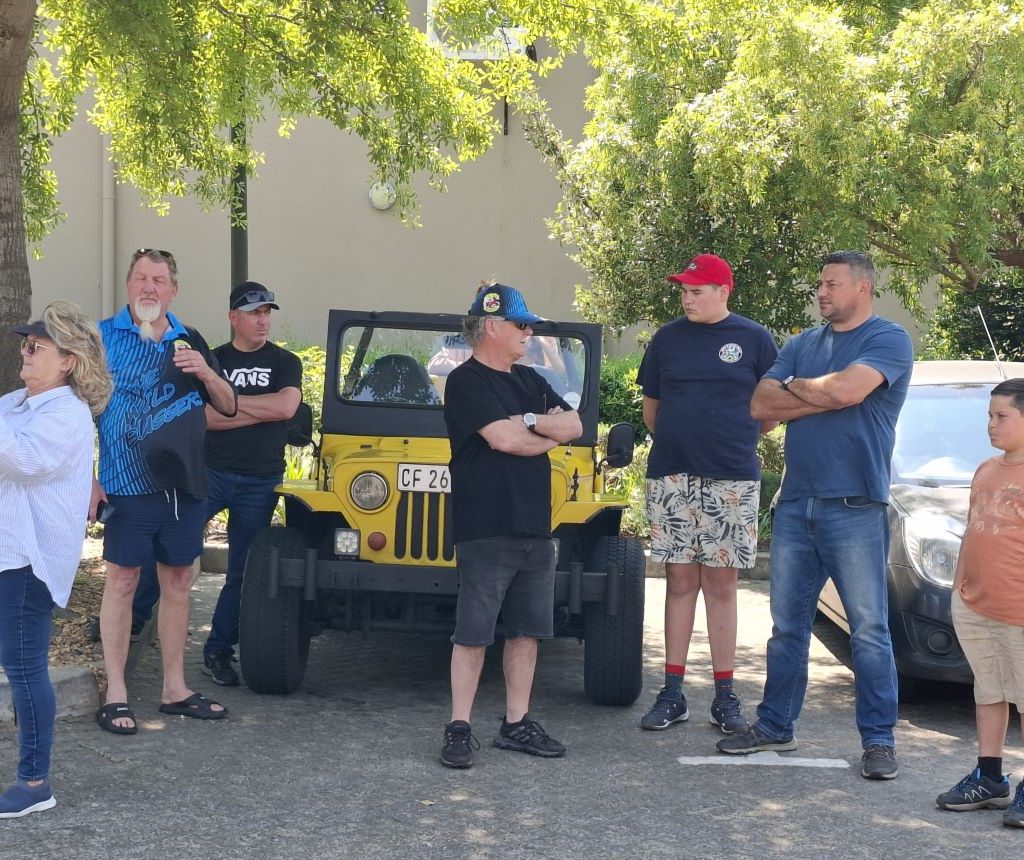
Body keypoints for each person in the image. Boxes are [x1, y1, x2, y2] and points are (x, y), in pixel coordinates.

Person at [717, 250, 913, 781]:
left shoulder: (887, 340)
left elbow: (850, 390)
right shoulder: (804, 343)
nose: (821, 292)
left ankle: (878, 740)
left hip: (854, 503)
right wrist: (825, 396)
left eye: (832, 283)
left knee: (869, 631)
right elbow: (760, 405)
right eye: (819, 284)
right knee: (787, 628)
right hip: (797, 503)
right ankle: (775, 725)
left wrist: (802, 390)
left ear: (863, 289)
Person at [93, 248, 238, 733]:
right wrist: (89, 480)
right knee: (124, 582)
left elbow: (229, 405)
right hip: (126, 485)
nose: (148, 287)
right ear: (129, 286)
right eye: (140, 278)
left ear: (172, 290)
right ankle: (116, 692)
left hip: (184, 486)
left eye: (158, 280)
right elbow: (75, 410)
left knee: (178, 582)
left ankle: (174, 689)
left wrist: (205, 370)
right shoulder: (100, 338)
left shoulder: (187, 339)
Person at [440, 283, 582, 769]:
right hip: (486, 526)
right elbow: (506, 442)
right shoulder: (465, 382)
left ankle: (516, 724)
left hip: (534, 529)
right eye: (522, 325)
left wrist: (529, 422)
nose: (529, 333)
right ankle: (459, 727)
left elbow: (576, 426)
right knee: (473, 633)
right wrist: (542, 433)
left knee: (527, 632)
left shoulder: (530, 380)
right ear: (492, 326)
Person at [636, 254, 778, 734]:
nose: (687, 297)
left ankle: (725, 695)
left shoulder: (754, 339)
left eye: (697, 289)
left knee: (721, 585)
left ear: (723, 291)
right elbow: (651, 411)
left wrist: (729, 441)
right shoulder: (667, 339)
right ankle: (672, 692)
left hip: (731, 477)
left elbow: (770, 411)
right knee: (679, 581)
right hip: (674, 475)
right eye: (684, 290)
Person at [0, 302, 112, 818]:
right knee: (19, 667)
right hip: (7, 555)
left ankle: (35, 782)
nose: (25, 350)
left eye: (36, 345)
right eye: (25, 343)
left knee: (25, 671)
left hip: (29, 563)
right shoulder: (17, 404)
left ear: (68, 361)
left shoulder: (67, 414)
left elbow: (24, 461)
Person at [935, 378, 1024, 827]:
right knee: (989, 691)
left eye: (1001, 416)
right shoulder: (987, 470)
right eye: (989, 416)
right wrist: (959, 590)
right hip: (976, 607)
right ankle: (990, 777)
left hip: (1020, 613)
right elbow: (973, 531)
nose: (991, 424)